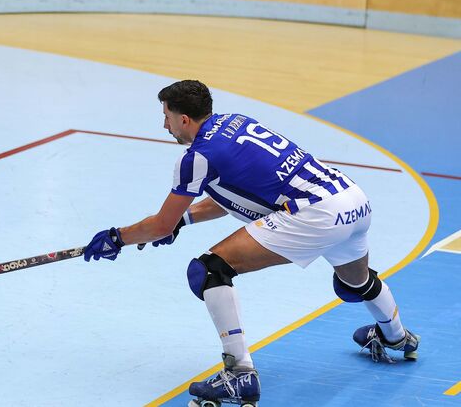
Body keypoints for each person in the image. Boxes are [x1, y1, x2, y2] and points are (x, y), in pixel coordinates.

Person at [83, 80, 418, 406]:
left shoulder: (196, 157)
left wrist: (117, 237)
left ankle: (239, 373)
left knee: (209, 270)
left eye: (167, 117)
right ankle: (396, 336)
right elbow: (229, 198)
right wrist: (183, 221)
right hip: (351, 199)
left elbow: (160, 225)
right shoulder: (235, 122)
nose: (165, 126)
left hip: (315, 213)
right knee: (355, 281)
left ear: (183, 119)